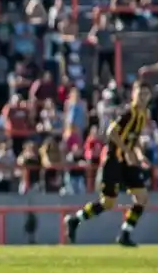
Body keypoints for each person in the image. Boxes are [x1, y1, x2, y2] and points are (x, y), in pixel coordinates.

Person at [64, 81, 153, 247]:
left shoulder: (143, 114)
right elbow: (111, 132)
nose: (142, 97)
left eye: (146, 94)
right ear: (133, 94)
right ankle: (75, 219)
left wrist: (140, 156)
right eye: (140, 93)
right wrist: (127, 151)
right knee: (108, 202)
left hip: (126, 161)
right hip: (113, 160)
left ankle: (125, 233)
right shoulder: (128, 111)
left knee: (142, 197)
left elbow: (135, 138)